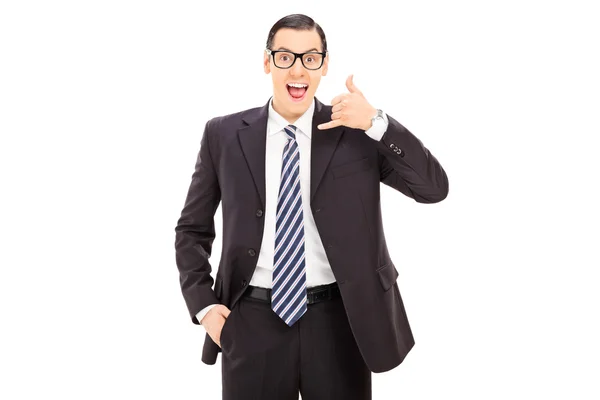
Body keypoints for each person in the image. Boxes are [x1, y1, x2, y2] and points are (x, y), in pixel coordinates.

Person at [174, 13, 449, 400]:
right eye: (285, 57)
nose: (298, 69)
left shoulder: (356, 133)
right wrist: (204, 307)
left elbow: (434, 189)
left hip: (340, 320)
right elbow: (191, 231)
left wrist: (377, 122)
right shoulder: (223, 134)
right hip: (251, 321)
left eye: (310, 57)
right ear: (267, 62)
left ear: (324, 65)